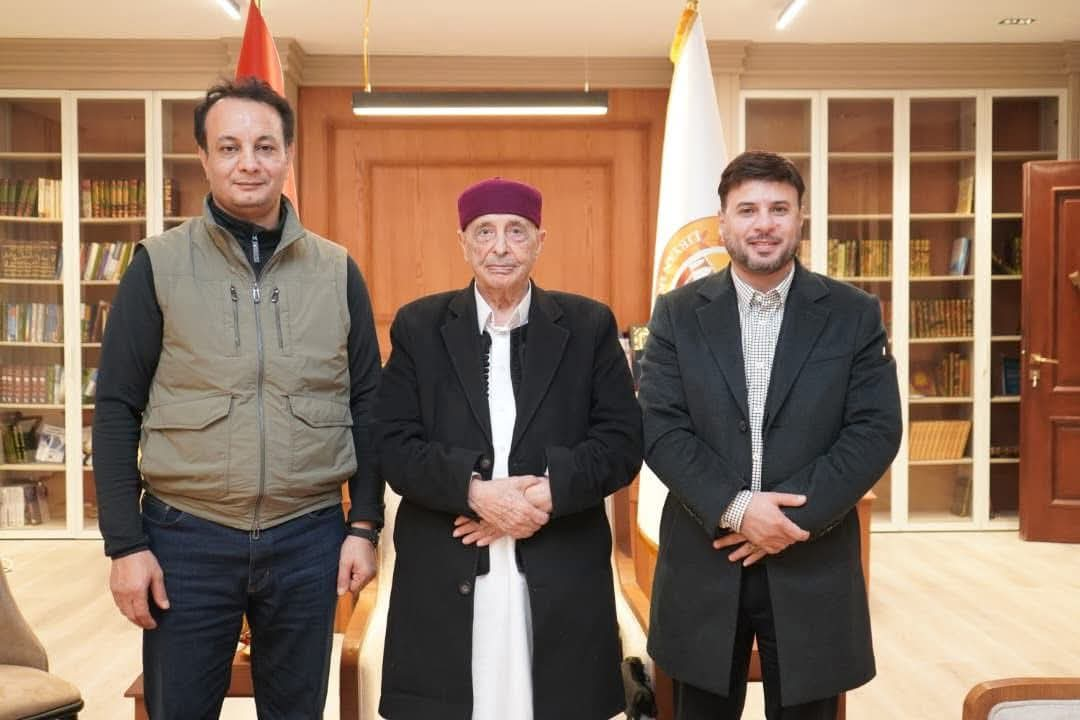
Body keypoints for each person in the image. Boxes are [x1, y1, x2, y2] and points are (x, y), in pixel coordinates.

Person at [93, 78, 383, 719]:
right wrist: (125, 545)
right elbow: (115, 409)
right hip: (186, 537)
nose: (248, 162)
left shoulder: (336, 270)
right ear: (204, 158)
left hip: (308, 536)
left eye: (264, 146)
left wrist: (364, 525)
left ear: (288, 155)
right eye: (229, 147)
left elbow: (368, 403)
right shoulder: (157, 266)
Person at [638, 150, 902, 720]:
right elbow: (658, 425)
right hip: (706, 557)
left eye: (779, 209)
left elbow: (875, 428)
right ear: (723, 222)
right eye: (748, 210)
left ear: (800, 218)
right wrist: (737, 509)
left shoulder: (853, 313)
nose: (764, 224)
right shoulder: (677, 314)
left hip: (811, 558)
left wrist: (783, 521)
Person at [374, 177, 643, 720]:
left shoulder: (589, 326)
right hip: (447, 563)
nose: (500, 247)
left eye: (516, 231)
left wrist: (537, 499)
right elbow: (393, 444)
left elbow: (621, 442)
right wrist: (476, 494)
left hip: (560, 564)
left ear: (540, 241)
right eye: (484, 232)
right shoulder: (419, 326)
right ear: (463, 243)